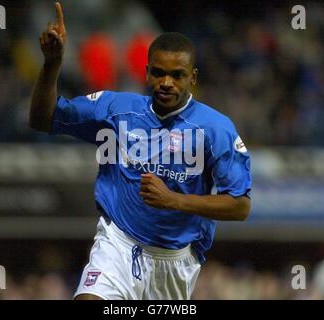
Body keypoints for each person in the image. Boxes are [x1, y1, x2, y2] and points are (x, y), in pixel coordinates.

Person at [30, 2, 252, 300]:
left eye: (177, 75)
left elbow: (240, 206)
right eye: (158, 73)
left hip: (174, 263)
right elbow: (43, 119)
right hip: (117, 245)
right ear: (146, 73)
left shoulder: (216, 129)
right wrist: (52, 64)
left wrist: (174, 200)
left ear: (193, 77)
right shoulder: (115, 109)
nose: (166, 83)